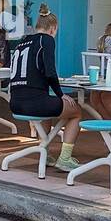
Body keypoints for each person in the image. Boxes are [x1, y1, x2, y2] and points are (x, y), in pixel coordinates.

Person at [8, 11, 85, 171]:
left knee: (47, 109)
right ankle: (65, 158)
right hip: (35, 102)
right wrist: (61, 94)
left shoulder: (22, 42)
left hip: (15, 102)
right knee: (76, 111)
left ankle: (46, 152)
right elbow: (50, 71)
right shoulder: (47, 40)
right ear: (53, 28)